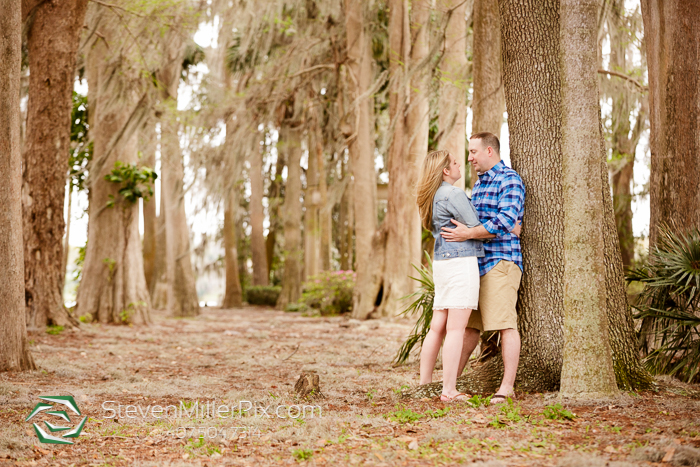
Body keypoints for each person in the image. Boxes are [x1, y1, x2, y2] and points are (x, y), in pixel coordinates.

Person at [441, 132, 525, 404]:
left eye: (474, 152)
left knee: (504, 325)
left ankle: (507, 388)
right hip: (475, 264)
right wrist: (479, 231)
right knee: (469, 329)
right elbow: (493, 223)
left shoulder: (509, 179)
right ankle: (450, 386)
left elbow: (504, 220)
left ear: (490, 151)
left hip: (501, 261)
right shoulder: (479, 185)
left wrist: (471, 233)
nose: (469, 157)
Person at [415, 149, 484, 402]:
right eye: (455, 163)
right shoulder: (453, 194)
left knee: (437, 328)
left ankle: (425, 384)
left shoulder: (431, 196)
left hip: (442, 263)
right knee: (456, 328)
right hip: (460, 262)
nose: (460, 165)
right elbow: (476, 226)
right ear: (445, 170)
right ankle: (449, 390)